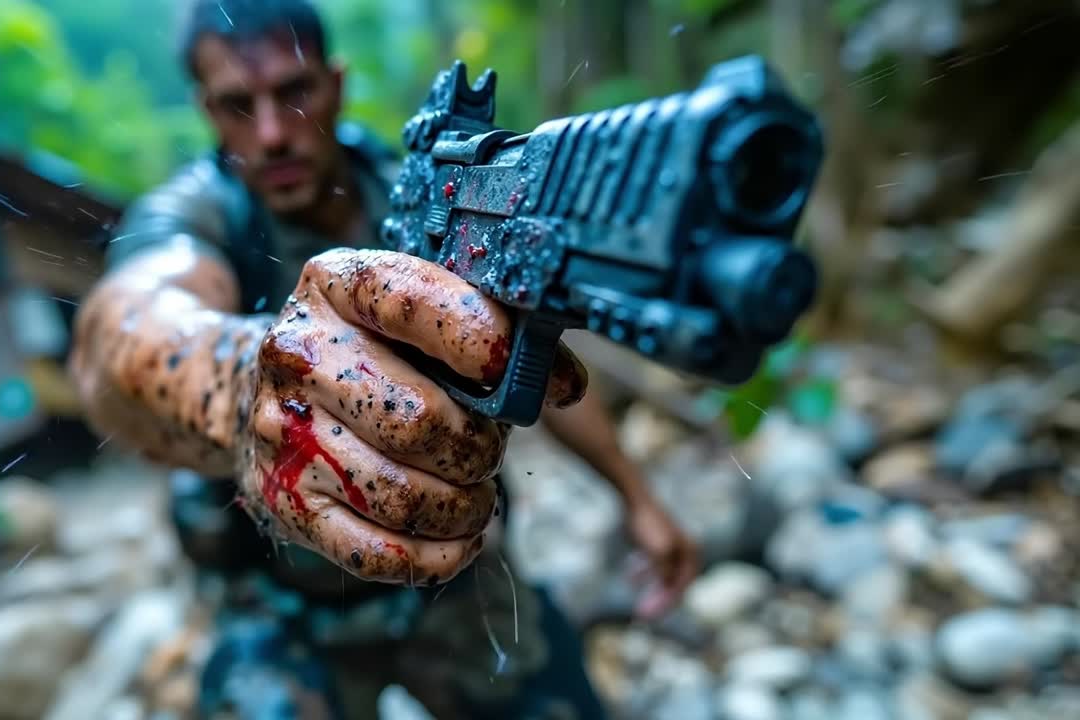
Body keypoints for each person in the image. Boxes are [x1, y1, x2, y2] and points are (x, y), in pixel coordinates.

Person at [68, 1, 699, 718]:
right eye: (239, 106)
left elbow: (534, 363)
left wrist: (637, 498)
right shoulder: (195, 216)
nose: (272, 134)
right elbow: (123, 334)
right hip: (281, 606)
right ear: (206, 112)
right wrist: (253, 383)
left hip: (454, 576)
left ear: (336, 85)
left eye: (294, 92)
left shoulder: (430, 195)